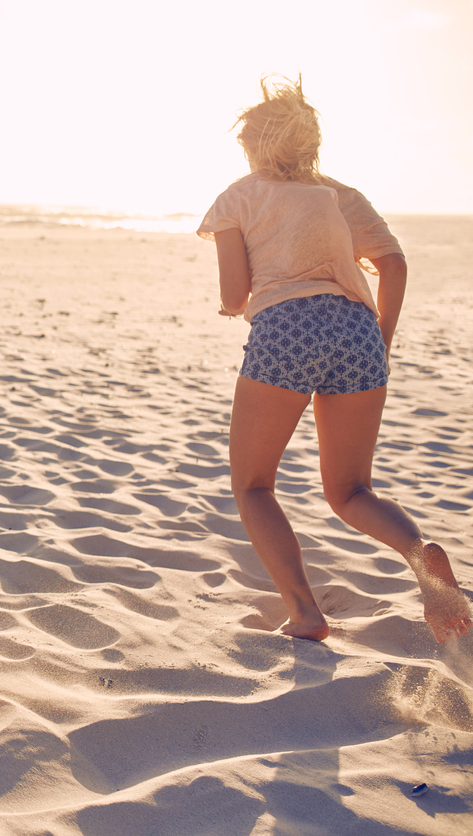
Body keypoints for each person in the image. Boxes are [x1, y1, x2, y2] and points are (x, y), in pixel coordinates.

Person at [198, 77, 471, 644]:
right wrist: (382, 341)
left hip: (286, 331)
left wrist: (240, 306)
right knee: (351, 491)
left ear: (252, 145)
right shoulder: (341, 195)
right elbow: (392, 265)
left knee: (253, 485)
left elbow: (233, 296)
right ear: (310, 142)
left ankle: (305, 612)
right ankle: (420, 555)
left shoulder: (239, 196)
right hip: (358, 332)